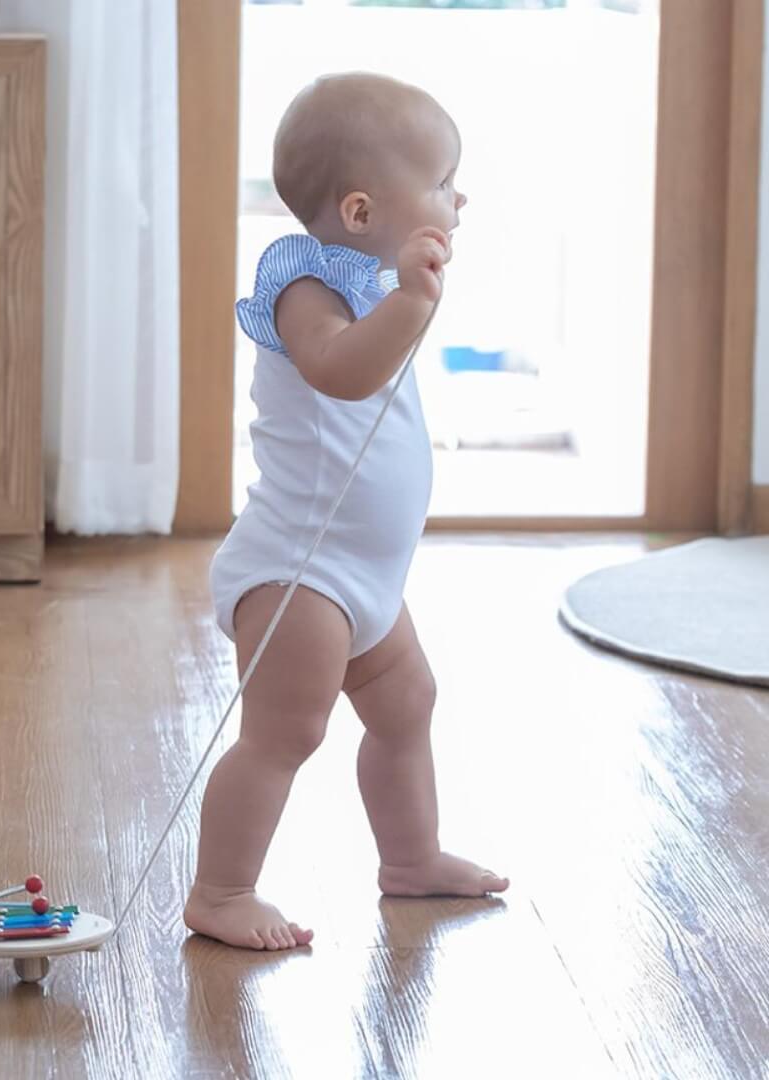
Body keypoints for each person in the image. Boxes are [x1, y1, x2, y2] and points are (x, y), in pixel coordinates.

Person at [184, 73, 509, 952]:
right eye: (442, 181)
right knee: (285, 733)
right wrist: (408, 301)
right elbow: (339, 372)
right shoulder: (303, 289)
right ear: (361, 211)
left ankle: (411, 859)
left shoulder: (370, 277)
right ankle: (221, 890)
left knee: (407, 705)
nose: (458, 196)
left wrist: (402, 295)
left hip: (367, 578)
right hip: (301, 572)